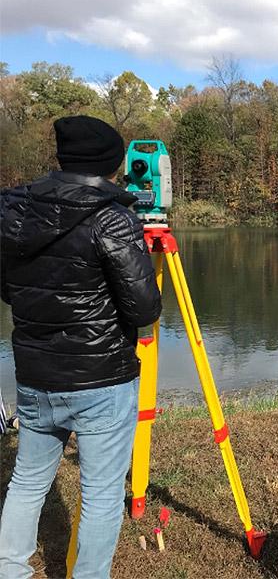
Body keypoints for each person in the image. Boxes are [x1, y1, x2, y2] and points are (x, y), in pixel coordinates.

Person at [0, 116, 162, 578]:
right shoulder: (112, 217)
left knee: (27, 481)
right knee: (101, 493)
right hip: (102, 379)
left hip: (34, 374)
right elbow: (143, 308)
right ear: (112, 166)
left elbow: (10, 291)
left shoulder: (14, 211)